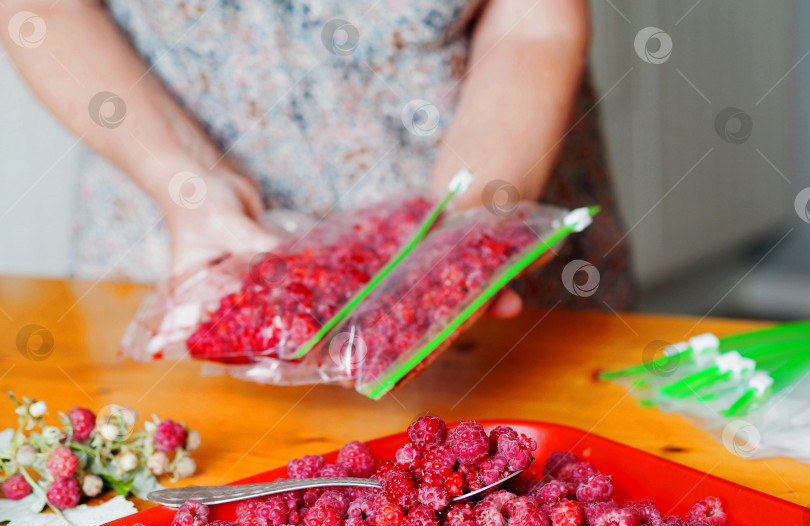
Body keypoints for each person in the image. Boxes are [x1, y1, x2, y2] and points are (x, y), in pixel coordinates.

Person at [1, 0, 634, 316]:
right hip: (178, 239)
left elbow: (533, 23)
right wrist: (184, 184)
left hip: (489, 171)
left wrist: (463, 241)